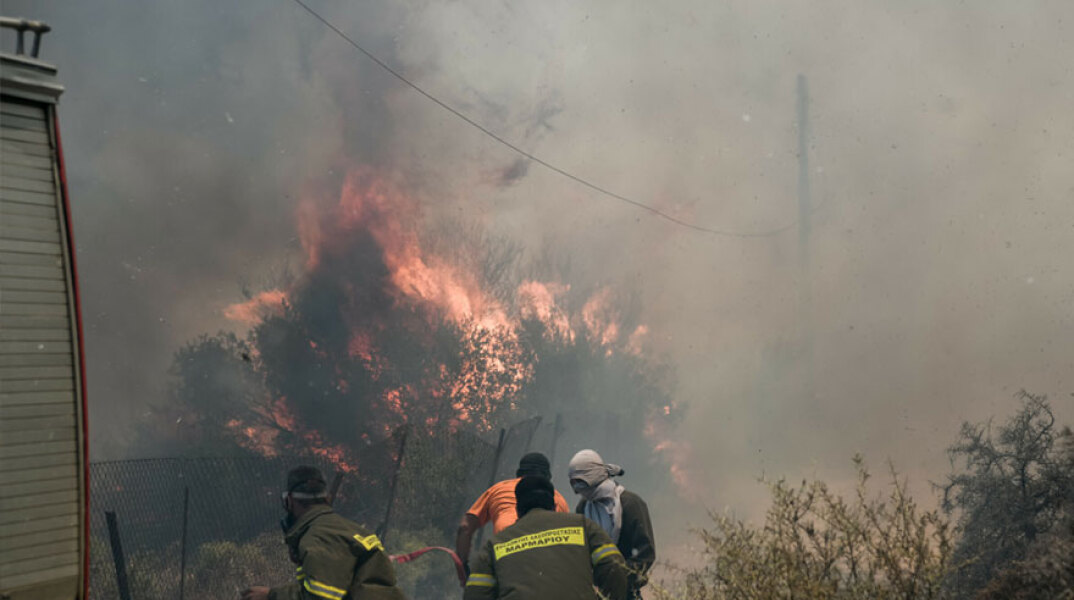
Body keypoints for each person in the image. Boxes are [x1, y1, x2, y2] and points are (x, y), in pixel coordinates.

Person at [241, 466, 407, 600]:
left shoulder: (317, 537)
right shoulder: (347, 528)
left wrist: (272, 596)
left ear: (289, 501)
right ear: (327, 498)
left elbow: (321, 596)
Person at [464, 476, 629, 600]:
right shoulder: (582, 525)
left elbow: (476, 593)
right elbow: (614, 566)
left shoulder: (495, 544)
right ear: (554, 506)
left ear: (518, 510)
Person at [455, 452, 571, 568]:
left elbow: (465, 527)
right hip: (539, 562)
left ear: (519, 473)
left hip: (503, 552)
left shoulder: (498, 489)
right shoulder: (557, 498)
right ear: (547, 477)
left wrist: (463, 565)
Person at [568, 450, 655, 600]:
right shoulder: (583, 508)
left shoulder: (631, 504)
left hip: (628, 593)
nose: (577, 490)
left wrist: (620, 581)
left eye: (580, 482)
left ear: (592, 476)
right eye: (573, 483)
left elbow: (645, 553)